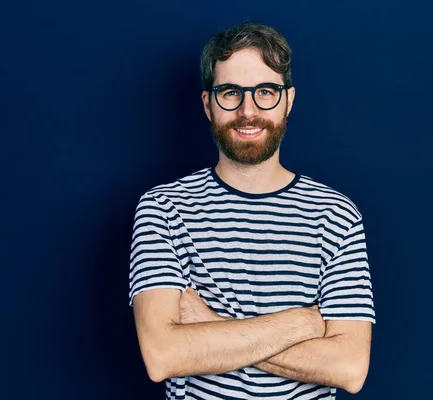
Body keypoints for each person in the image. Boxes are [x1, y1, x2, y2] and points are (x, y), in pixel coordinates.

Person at [129, 21, 375, 399]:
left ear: (289, 101)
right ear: (208, 104)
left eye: (265, 92)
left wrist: (209, 324)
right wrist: (303, 322)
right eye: (230, 92)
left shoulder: (336, 215)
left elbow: (350, 367)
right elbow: (163, 355)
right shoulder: (163, 208)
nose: (248, 110)